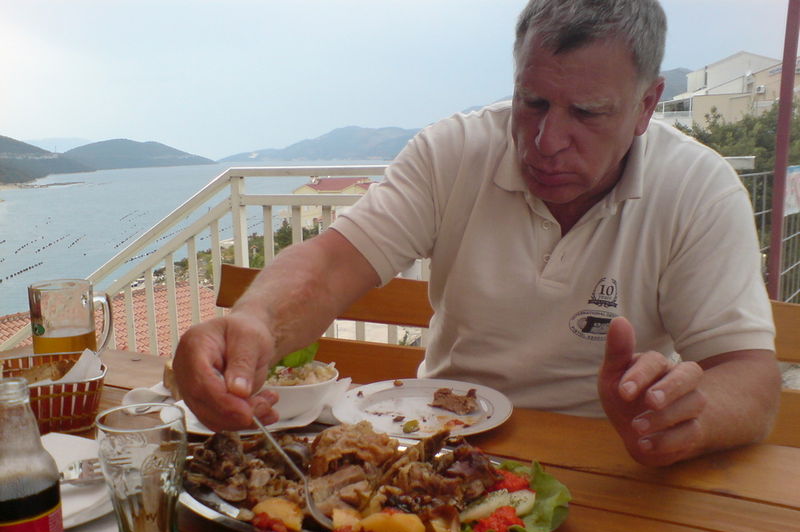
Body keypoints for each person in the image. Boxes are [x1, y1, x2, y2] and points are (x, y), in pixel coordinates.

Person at [173, 0, 780, 467]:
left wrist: (682, 420)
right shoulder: (453, 152)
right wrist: (254, 324)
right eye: (532, 101)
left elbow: (749, 377)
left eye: (587, 113)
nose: (546, 141)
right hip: (442, 448)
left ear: (647, 105)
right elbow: (331, 266)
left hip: (613, 464)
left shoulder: (698, 189)